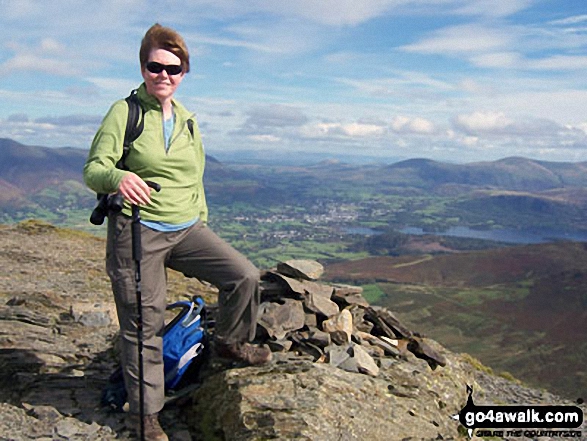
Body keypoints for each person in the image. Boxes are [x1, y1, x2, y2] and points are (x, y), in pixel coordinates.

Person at [84, 23, 271, 441]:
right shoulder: (125, 112)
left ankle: (229, 341)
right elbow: (93, 169)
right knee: (143, 322)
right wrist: (117, 178)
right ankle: (146, 416)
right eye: (156, 66)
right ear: (143, 66)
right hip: (137, 231)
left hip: (187, 228)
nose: (164, 75)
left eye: (174, 68)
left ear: (184, 72)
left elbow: (195, 176)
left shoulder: (187, 120)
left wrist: (200, 218)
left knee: (244, 275)